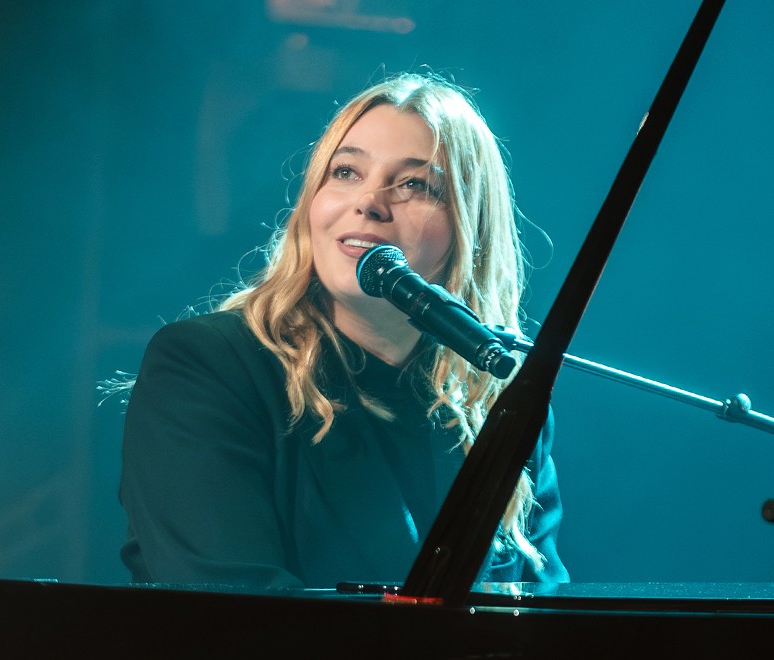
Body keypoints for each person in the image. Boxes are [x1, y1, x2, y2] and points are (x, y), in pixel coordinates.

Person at [117, 72, 569, 589]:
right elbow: (232, 612)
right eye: (346, 171)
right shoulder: (210, 365)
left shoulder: (496, 401)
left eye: (415, 184)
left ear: (469, 226)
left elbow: (539, 607)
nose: (369, 202)